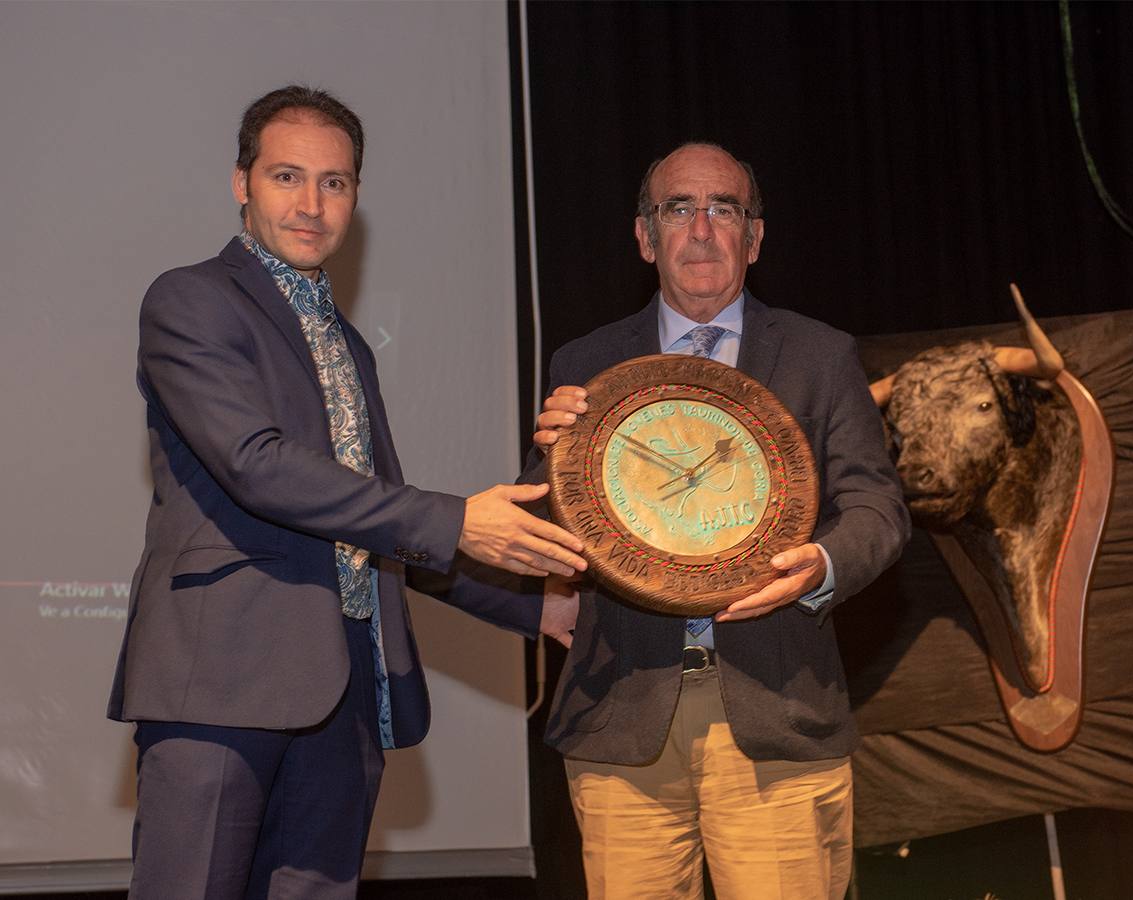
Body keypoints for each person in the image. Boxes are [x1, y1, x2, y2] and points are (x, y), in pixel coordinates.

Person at [107, 84, 585, 899]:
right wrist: (455, 517)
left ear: (355, 197)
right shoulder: (189, 299)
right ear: (240, 183)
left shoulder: (346, 343)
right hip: (221, 681)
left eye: (334, 183)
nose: (310, 204)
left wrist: (534, 610)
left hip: (348, 687)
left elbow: (382, 522)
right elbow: (256, 464)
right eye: (286, 177)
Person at [526, 143, 910, 899]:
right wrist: (546, 464)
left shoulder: (817, 354)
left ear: (753, 236)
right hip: (623, 719)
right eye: (678, 208)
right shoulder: (586, 360)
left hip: (778, 710)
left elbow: (877, 508)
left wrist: (821, 565)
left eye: (723, 208)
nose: (700, 228)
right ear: (645, 236)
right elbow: (551, 527)